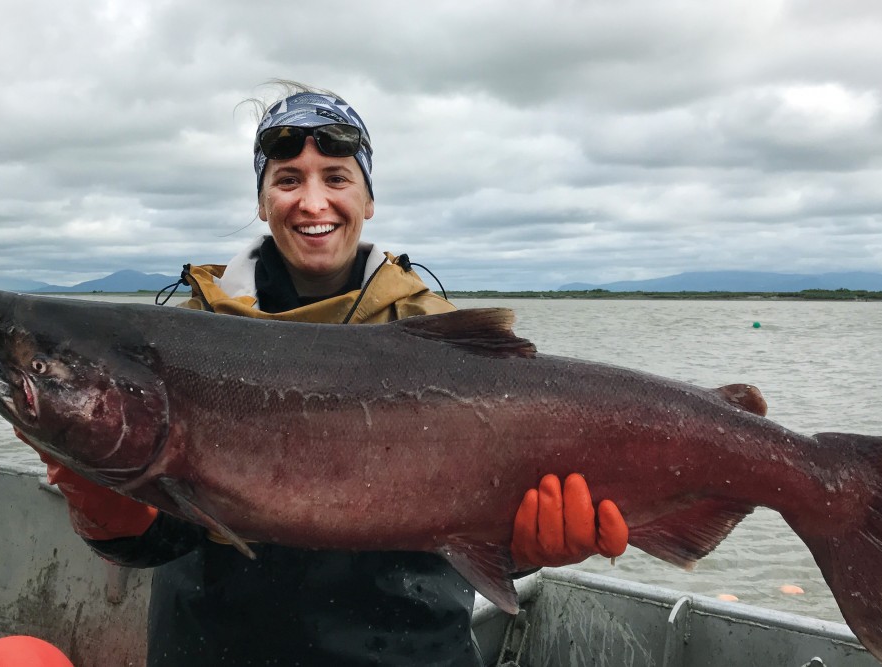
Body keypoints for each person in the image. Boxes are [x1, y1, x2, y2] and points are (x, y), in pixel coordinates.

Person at [33, 83, 629, 666]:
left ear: (369, 200)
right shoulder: (179, 342)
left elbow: (475, 547)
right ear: (262, 202)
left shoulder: (446, 340)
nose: (313, 202)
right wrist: (102, 502)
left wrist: (526, 546)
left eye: (337, 178)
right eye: (288, 180)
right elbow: (162, 539)